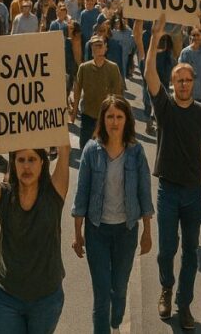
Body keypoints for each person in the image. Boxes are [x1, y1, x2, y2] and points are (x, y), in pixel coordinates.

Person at [145, 12, 201, 330]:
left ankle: (184, 305)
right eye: (178, 80)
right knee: (167, 249)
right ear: (173, 83)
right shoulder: (164, 107)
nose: (184, 84)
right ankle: (166, 287)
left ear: (194, 83)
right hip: (168, 191)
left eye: (188, 80)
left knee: (191, 252)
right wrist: (155, 37)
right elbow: (150, 72)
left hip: (193, 191)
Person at [71, 96, 154, 334]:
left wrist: (147, 232)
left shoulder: (136, 152)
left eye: (119, 117)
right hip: (97, 230)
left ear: (126, 119)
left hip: (126, 231)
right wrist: (78, 234)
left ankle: (115, 323)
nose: (114, 122)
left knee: (119, 288)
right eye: (110, 117)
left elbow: (144, 193)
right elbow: (81, 195)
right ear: (103, 119)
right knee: (101, 293)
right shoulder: (91, 150)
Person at [0, 131, 71, 333]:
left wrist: (59, 128)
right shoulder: (4, 194)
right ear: (13, 164)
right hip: (6, 296)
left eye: (32, 159)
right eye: (20, 160)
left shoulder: (54, 193)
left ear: (42, 163)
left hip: (46, 299)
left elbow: (64, 150)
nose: (26, 166)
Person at [70, 34, 124, 149]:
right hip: (88, 114)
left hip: (106, 116)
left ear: (106, 48)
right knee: (85, 148)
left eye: (100, 45)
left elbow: (117, 95)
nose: (97, 48)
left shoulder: (113, 68)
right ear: (91, 50)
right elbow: (78, 90)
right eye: (94, 46)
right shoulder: (84, 68)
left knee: (104, 149)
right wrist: (74, 112)